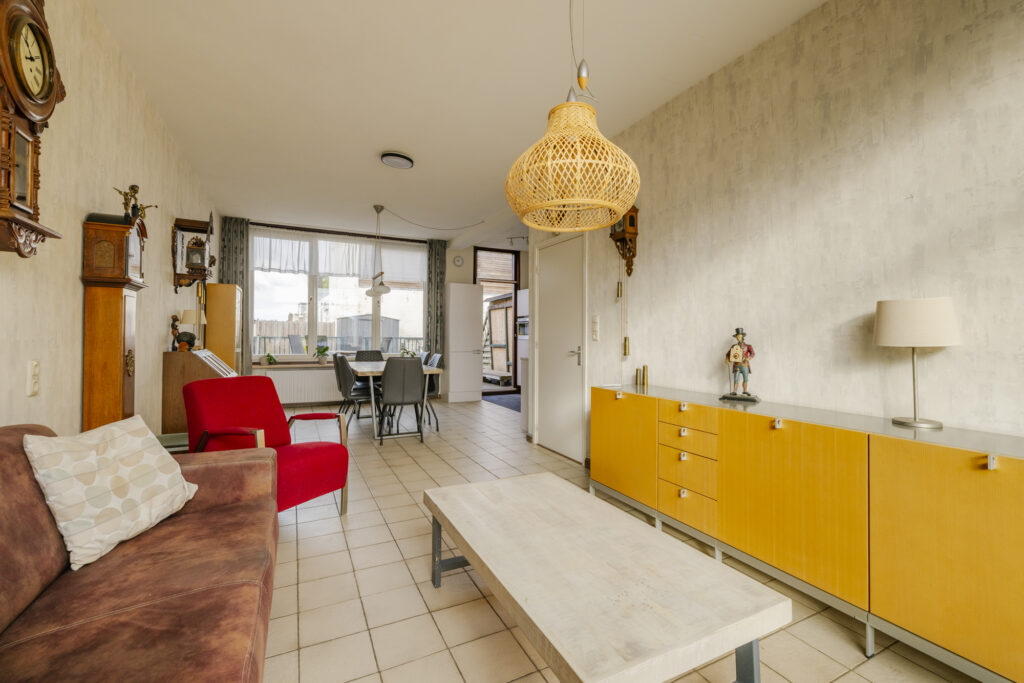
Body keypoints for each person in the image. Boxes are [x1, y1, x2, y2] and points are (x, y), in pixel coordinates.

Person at [725, 328, 755, 396]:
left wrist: (748, 358)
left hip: (744, 365)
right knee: (736, 379)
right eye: (737, 337)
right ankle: (734, 391)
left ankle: (745, 391)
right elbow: (728, 354)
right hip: (737, 365)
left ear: (742, 336)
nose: (738, 338)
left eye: (739, 336)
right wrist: (727, 359)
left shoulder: (748, 346)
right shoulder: (734, 347)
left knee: (745, 378)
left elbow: (753, 353)